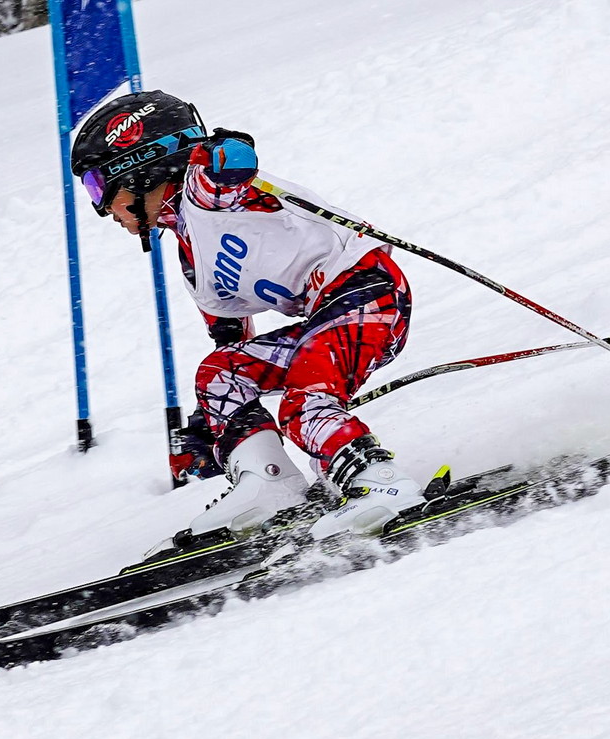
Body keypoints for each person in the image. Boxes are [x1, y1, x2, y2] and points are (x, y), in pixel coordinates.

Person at [69, 90, 427, 541]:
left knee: (304, 401)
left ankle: (380, 485)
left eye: (100, 188)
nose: (102, 209)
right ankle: (271, 483)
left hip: (367, 294)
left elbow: (231, 167)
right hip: (329, 317)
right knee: (220, 373)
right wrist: (222, 423)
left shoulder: (204, 193)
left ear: (141, 170)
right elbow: (229, 341)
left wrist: (221, 154)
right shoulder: (191, 255)